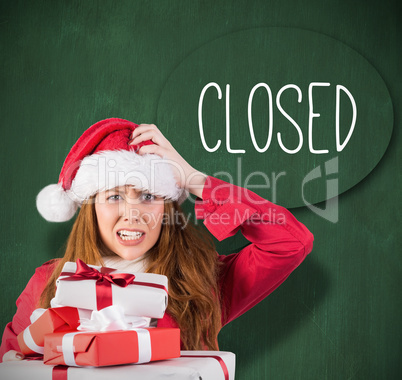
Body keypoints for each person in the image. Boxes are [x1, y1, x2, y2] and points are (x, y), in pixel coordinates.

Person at [0, 118, 314, 362]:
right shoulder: (48, 283)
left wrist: (194, 179)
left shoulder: (202, 282)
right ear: (90, 208)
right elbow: (12, 366)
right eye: (114, 196)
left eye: (148, 195)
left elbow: (290, 242)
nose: (133, 213)